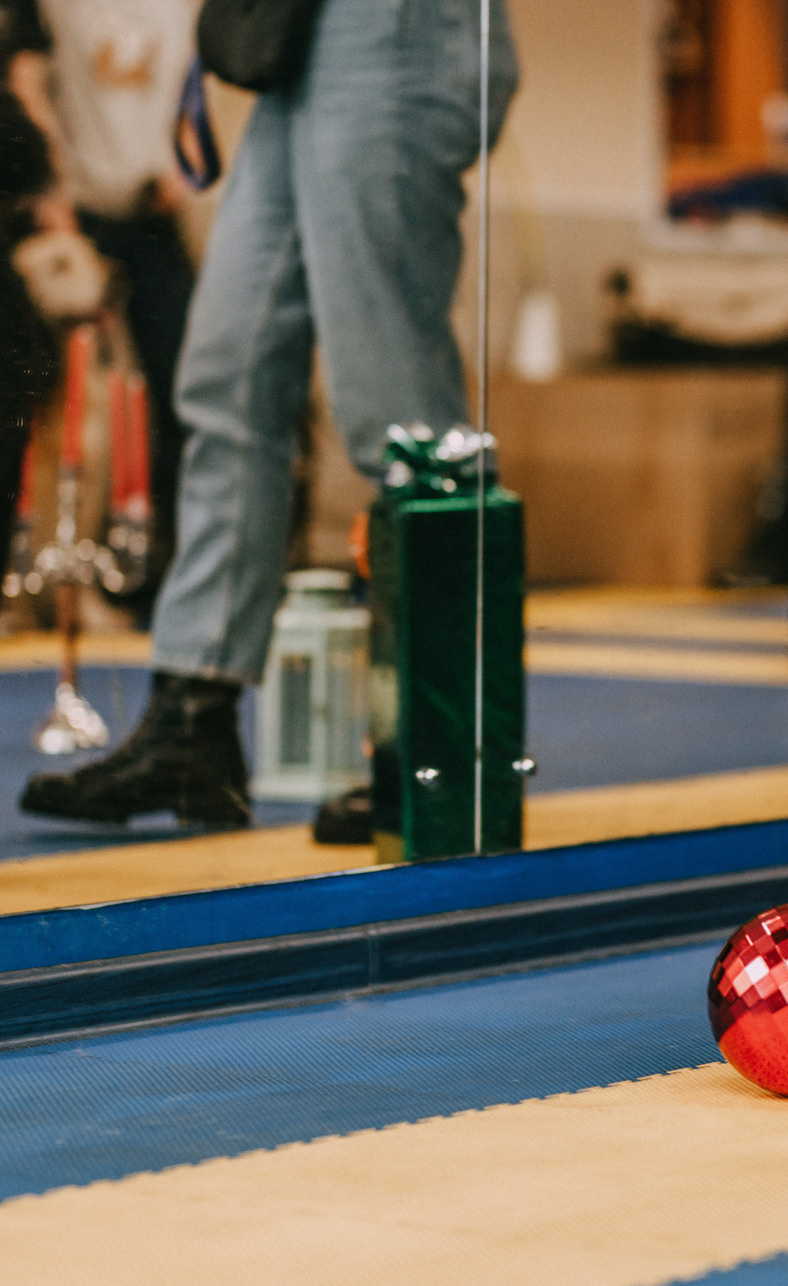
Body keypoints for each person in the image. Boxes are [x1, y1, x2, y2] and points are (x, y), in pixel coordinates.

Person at [19, 0, 518, 829]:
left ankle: (446, 749)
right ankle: (194, 722)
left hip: (391, 30)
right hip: (302, 42)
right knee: (228, 378)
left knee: (397, 409)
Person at [15, 0, 200, 616]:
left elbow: (191, 81)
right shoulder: (59, 9)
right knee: (62, 411)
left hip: (153, 210)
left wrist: (183, 160)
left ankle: (158, 576)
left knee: (181, 391)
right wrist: (50, 184)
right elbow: (33, 81)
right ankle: (50, 575)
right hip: (79, 213)